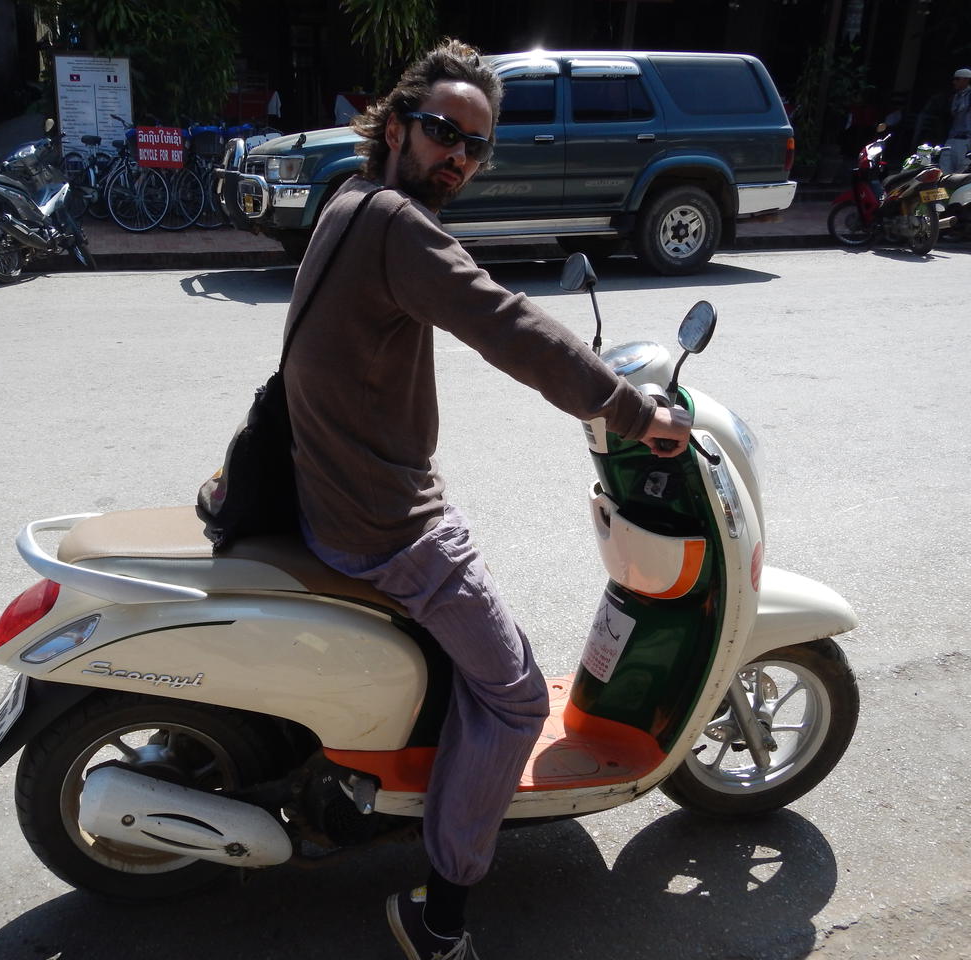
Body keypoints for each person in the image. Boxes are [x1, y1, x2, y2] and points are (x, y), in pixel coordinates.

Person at [282, 39, 691, 960]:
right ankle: (440, 920)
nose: (458, 156)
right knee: (514, 698)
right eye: (443, 131)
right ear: (397, 127)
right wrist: (632, 413)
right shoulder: (399, 225)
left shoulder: (349, 201)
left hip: (336, 491)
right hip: (385, 525)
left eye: (475, 144)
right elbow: (509, 325)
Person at [940, 67, 971, 174]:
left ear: (966, 80)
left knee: (960, 172)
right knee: (944, 171)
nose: (954, 82)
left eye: (957, 79)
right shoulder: (954, 96)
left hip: (967, 139)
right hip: (951, 138)